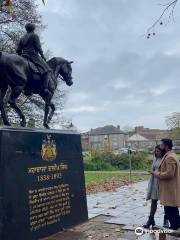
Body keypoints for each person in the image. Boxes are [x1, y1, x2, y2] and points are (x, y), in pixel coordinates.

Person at [152, 139, 180, 230]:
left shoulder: (169, 157)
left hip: (170, 190)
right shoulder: (170, 155)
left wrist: (156, 174)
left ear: (166, 147)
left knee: (171, 211)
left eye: (161, 145)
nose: (160, 147)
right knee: (172, 211)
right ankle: (175, 228)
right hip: (170, 189)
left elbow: (169, 174)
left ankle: (175, 229)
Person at [16, 23, 51, 94]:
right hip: (33, 55)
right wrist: (42, 56)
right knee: (47, 70)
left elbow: (18, 50)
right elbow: (38, 47)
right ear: (33, 28)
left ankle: (27, 89)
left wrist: (20, 56)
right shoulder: (34, 36)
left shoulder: (22, 37)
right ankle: (45, 88)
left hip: (23, 55)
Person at [143, 145, 169, 228]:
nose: (156, 152)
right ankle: (151, 219)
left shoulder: (165, 159)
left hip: (162, 182)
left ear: (162, 151)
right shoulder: (155, 158)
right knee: (154, 201)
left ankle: (166, 220)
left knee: (165, 202)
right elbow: (153, 169)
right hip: (154, 181)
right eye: (156, 151)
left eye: (158, 151)